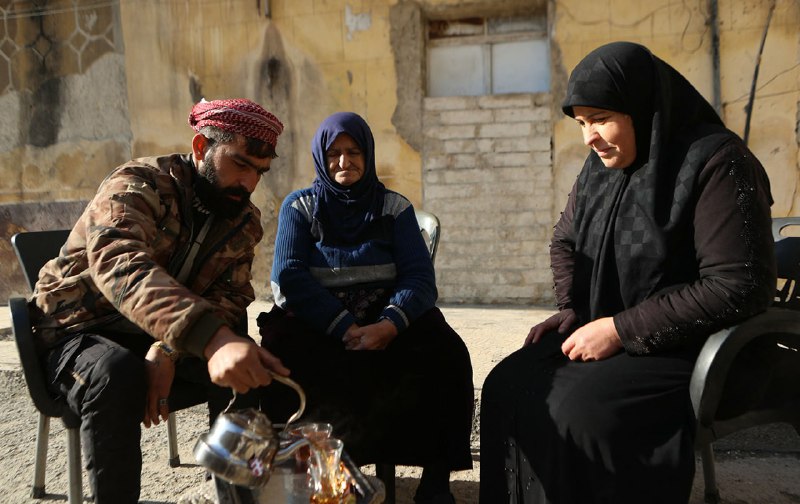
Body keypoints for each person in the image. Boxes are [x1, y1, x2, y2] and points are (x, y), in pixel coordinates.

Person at [479, 42, 777, 504]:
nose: (588, 138)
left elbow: (737, 286)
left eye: (599, 119)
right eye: (580, 124)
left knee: (578, 409)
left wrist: (620, 328)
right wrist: (572, 310)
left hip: (694, 345)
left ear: (641, 106)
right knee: (506, 386)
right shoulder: (601, 167)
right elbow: (565, 239)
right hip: (610, 331)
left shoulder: (716, 161)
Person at [30, 98, 289, 503]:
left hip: (155, 334)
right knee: (115, 373)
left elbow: (231, 295)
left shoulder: (242, 221)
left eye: (260, 172)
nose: (249, 183)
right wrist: (207, 338)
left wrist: (170, 349)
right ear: (202, 147)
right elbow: (121, 264)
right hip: (75, 330)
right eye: (240, 164)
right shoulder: (137, 184)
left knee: (247, 363)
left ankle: (239, 497)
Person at [258, 111, 474, 504]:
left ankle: (436, 480)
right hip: (319, 320)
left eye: (354, 151)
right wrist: (341, 325)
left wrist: (389, 325)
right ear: (321, 158)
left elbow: (420, 279)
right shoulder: (300, 207)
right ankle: (319, 475)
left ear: (368, 154)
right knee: (282, 362)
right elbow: (287, 277)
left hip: (386, 316)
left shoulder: (394, 208)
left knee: (447, 356)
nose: (345, 162)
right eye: (335, 153)